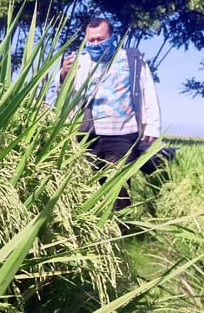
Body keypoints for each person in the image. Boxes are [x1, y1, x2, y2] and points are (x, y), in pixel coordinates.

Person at [59, 17, 162, 210]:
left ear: (111, 37)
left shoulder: (132, 60)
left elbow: (148, 91)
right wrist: (64, 73)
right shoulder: (79, 61)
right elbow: (65, 94)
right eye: (91, 40)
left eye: (100, 39)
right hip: (87, 132)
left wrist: (153, 127)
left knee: (118, 185)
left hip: (123, 132)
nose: (95, 44)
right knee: (86, 183)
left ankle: (121, 230)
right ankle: (92, 228)